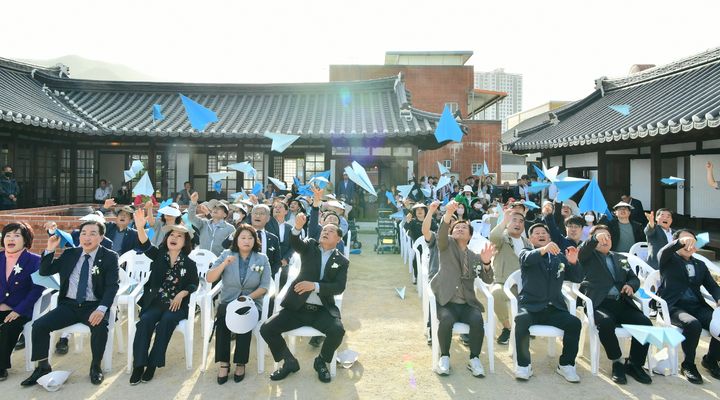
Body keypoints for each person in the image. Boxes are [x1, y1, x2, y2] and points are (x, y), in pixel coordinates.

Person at [22, 220, 119, 386]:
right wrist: (50, 249)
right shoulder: (70, 254)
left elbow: (112, 286)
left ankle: (95, 366)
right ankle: (43, 367)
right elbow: (45, 271)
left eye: (92, 233)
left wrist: (102, 309)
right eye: (83, 233)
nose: (87, 237)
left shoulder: (109, 257)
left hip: (93, 306)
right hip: (69, 305)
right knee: (39, 325)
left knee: (100, 326)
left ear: (101, 237)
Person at [260, 213, 348, 383]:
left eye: (331, 231)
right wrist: (298, 228)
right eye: (324, 229)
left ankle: (321, 361)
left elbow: (339, 287)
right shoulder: (310, 247)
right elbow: (296, 243)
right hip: (297, 308)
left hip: (322, 310)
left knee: (338, 331)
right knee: (267, 328)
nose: (325, 231)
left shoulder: (342, 261)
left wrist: (315, 286)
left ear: (338, 239)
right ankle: (289, 361)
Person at [129, 210, 198, 384]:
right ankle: (139, 365)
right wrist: (140, 227)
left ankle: (152, 364)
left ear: (185, 242)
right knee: (144, 321)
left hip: (176, 306)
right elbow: (145, 245)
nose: (174, 238)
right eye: (171, 235)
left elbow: (193, 284)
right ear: (166, 239)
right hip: (155, 303)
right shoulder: (158, 255)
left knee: (166, 322)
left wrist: (182, 294)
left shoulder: (190, 264)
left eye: (179, 236)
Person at [578, 225, 653, 384]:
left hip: (622, 302)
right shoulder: (588, 256)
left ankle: (635, 363)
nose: (605, 240)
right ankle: (617, 361)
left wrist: (631, 285)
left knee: (646, 323)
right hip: (599, 303)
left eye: (608, 237)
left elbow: (633, 277)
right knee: (605, 322)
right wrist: (593, 240)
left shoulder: (621, 258)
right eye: (601, 238)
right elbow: (582, 250)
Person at [430, 201, 495, 377]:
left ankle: (474, 358)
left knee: (476, 319)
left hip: (467, 302)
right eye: (456, 227)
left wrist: (487, 263)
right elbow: (441, 235)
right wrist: (447, 216)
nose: (459, 229)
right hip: (446, 300)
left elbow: (488, 279)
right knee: (446, 320)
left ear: (470, 235)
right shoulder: (446, 246)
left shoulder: (475, 257)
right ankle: (444, 357)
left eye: (463, 228)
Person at [514, 223, 583, 382]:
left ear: (550, 237)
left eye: (544, 232)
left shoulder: (559, 257)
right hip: (531, 307)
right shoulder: (526, 252)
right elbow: (528, 259)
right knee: (521, 319)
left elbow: (577, 278)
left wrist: (573, 262)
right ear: (530, 239)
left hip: (554, 308)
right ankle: (524, 365)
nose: (540, 235)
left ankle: (566, 365)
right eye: (536, 233)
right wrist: (543, 250)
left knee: (574, 323)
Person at [206, 224, 271, 384]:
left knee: (244, 315)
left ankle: (240, 362)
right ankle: (224, 362)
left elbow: (264, 286)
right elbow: (209, 278)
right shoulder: (227, 254)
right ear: (236, 239)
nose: (246, 241)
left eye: (250, 238)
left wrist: (246, 299)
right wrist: (223, 265)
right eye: (243, 237)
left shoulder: (262, 258)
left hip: (251, 302)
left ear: (255, 240)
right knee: (222, 313)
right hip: (228, 301)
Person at [657, 230, 720, 384]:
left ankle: (711, 359)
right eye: (685, 241)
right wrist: (681, 241)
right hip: (673, 306)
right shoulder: (668, 259)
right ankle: (688, 364)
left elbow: (712, 286)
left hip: (697, 306)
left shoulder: (700, 264)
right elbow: (665, 250)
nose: (689, 244)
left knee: (718, 322)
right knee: (693, 324)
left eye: (693, 241)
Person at [0, 222, 44, 381]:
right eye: (8, 235)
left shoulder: (35, 260)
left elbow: (37, 290)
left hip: (21, 309)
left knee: (8, 328)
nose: (11, 239)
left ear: (25, 240)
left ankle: (1, 366)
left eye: (16, 235)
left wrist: (18, 310)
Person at [489, 208, 531, 345]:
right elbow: (493, 236)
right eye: (514, 220)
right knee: (495, 294)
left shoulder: (528, 243)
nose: (518, 223)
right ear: (508, 223)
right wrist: (503, 221)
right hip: (503, 283)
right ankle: (507, 328)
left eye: (521, 221)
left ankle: (526, 326)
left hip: (524, 285)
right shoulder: (502, 238)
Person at [187, 192, 235, 256]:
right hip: (202, 260)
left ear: (225, 214)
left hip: (220, 262)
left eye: (219, 208)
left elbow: (233, 247)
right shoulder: (203, 223)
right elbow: (191, 218)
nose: (215, 209)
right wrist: (193, 203)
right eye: (214, 208)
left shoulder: (230, 228)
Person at [404, 203, 438, 285]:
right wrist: (407, 221)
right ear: (415, 212)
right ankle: (416, 276)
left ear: (425, 211)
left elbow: (436, 230)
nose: (419, 211)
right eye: (417, 210)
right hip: (418, 246)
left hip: (430, 244)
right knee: (416, 259)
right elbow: (406, 228)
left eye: (421, 209)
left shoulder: (430, 220)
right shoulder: (413, 222)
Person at [267, 200, 294, 289]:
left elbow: (293, 246)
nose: (277, 209)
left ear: (286, 212)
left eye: (280, 207)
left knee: (281, 286)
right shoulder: (267, 224)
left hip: (283, 262)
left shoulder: (290, 228)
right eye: (275, 207)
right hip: (269, 260)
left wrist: (286, 259)